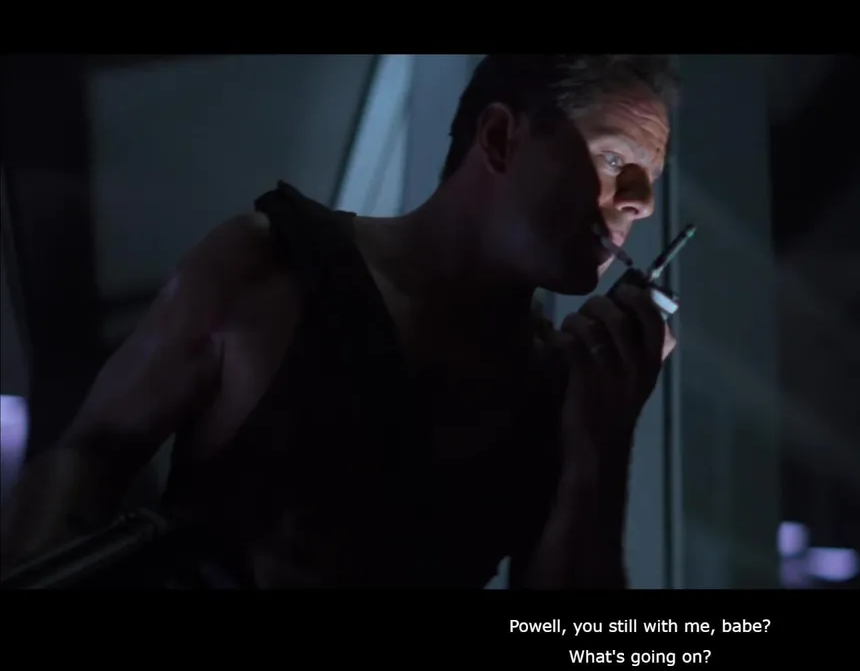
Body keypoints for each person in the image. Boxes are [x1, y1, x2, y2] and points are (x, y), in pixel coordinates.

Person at [0, 54, 679, 588]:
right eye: (615, 159)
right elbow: (90, 455)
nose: (642, 204)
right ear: (501, 137)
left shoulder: (555, 388)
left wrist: (602, 438)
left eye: (649, 178)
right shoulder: (271, 263)